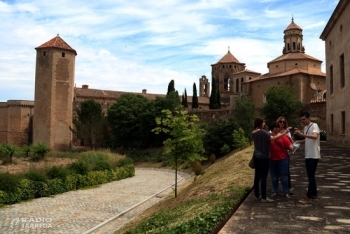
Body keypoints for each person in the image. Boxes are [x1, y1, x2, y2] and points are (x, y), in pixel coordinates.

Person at [252, 117, 291, 203]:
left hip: (256, 156)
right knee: (263, 177)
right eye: (263, 122)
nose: (264, 124)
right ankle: (264, 197)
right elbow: (272, 138)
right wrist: (284, 132)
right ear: (260, 123)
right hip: (264, 157)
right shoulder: (263, 132)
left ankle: (257, 195)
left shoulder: (254, 132)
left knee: (257, 176)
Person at [294, 111, 320, 204]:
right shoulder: (305, 127)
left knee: (310, 175)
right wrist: (301, 141)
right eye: (301, 120)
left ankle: (308, 195)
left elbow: (314, 136)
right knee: (310, 175)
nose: (303, 121)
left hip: (314, 155)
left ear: (309, 118)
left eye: (304, 119)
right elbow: (307, 139)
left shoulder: (314, 125)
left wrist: (302, 134)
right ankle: (314, 193)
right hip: (308, 155)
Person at [269, 121, 294, 198]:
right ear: (272, 129)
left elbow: (290, 147)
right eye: (275, 127)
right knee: (274, 177)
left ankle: (286, 191)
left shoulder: (284, 137)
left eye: (277, 127)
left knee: (284, 176)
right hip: (272, 159)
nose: (277, 129)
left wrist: (291, 149)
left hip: (282, 158)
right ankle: (275, 191)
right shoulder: (269, 136)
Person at [276, 116, 293, 194]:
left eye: (283, 122)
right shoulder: (275, 130)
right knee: (276, 173)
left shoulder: (287, 132)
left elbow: (290, 141)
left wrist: (291, 149)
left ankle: (288, 188)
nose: (282, 123)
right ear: (278, 122)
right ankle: (275, 189)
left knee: (286, 172)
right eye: (280, 122)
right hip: (275, 154)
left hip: (285, 153)